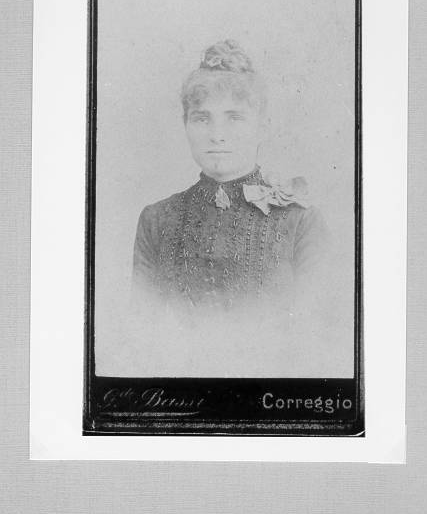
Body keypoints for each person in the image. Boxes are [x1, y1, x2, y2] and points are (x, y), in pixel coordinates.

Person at [130, 40, 337, 376]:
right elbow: (139, 338)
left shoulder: (301, 222)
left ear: (262, 127)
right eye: (202, 118)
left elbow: (318, 343)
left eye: (234, 118)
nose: (217, 135)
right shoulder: (156, 220)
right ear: (185, 125)